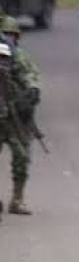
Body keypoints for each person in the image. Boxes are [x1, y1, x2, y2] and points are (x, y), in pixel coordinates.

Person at [0, 16, 41, 215]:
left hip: (16, 117)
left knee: (22, 158)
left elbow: (30, 75)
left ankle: (17, 199)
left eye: (11, 35)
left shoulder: (19, 57)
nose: (8, 39)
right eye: (5, 34)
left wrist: (32, 91)